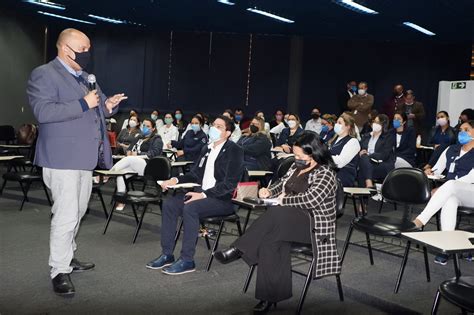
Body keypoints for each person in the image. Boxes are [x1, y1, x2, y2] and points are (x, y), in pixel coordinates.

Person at [27, 28, 127, 296]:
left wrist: (110, 106)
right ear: (65, 49)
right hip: (61, 158)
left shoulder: (86, 77)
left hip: (84, 159)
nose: (87, 55)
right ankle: (58, 270)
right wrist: (84, 103)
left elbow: (101, 107)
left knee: (78, 211)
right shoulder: (44, 74)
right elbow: (43, 111)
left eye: (88, 49)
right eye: (82, 50)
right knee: (66, 215)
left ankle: (67, 256)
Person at [214, 132, 341, 313]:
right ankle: (269, 297)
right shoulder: (296, 168)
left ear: (313, 153)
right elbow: (281, 184)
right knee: (269, 242)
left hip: (313, 226)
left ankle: (239, 248)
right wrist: (268, 191)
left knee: (278, 212)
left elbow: (312, 199)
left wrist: (283, 201)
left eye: (299, 156)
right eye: (295, 155)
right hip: (286, 223)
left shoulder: (325, 173)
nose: (296, 159)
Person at [146, 115, 244, 275]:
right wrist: (174, 179)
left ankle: (187, 260)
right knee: (170, 204)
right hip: (202, 194)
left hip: (223, 200)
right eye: (214, 125)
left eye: (219, 127)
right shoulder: (206, 148)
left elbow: (229, 184)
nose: (214, 128)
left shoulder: (235, 150)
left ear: (228, 133)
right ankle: (167, 254)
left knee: (190, 208)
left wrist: (204, 195)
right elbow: (194, 175)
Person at [415, 121, 474, 265]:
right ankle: (446, 246)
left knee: (451, 185)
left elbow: (470, 178)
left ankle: (420, 220)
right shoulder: (451, 149)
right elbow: (437, 169)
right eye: (460, 130)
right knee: (450, 200)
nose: (462, 133)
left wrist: (442, 189)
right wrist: (430, 171)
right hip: (453, 192)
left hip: (471, 192)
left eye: (467, 130)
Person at [112, 119, 164, 211]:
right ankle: (121, 201)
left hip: (147, 165)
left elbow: (154, 153)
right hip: (133, 164)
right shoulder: (138, 137)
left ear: (153, 128)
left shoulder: (157, 139)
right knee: (121, 175)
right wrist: (129, 152)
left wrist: (138, 154)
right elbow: (130, 149)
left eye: (148, 126)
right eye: (144, 125)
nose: (145, 128)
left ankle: (107, 175)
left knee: (131, 158)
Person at [358, 114, 395, 188]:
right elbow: (360, 149)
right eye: (374, 121)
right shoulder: (366, 136)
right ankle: (368, 183)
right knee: (363, 160)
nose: (375, 124)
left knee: (363, 167)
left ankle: (366, 193)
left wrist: (369, 155)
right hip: (368, 164)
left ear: (383, 125)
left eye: (378, 123)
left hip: (382, 164)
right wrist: (360, 153)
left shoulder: (388, 137)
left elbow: (384, 155)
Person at [330, 113, 361, 187]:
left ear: (348, 126)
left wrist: (323, 158)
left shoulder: (353, 142)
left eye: (340, 123)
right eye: (336, 122)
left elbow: (341, 162)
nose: (336, 125)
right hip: (331, 171)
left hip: (344, 174)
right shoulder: (333, 140)